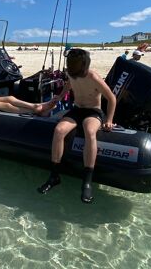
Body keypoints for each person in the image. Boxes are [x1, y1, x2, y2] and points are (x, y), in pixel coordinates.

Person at [37, 48, 116, 203]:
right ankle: (54, 176)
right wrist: (59, 96)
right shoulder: (72, 73)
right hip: (77, 110)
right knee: (59, 130)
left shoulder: (93, 77)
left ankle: (87, 182)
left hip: (93, 112)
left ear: (83, 65)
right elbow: (69, 84)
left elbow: (112, 98)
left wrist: (109, 120)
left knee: (90, 131)